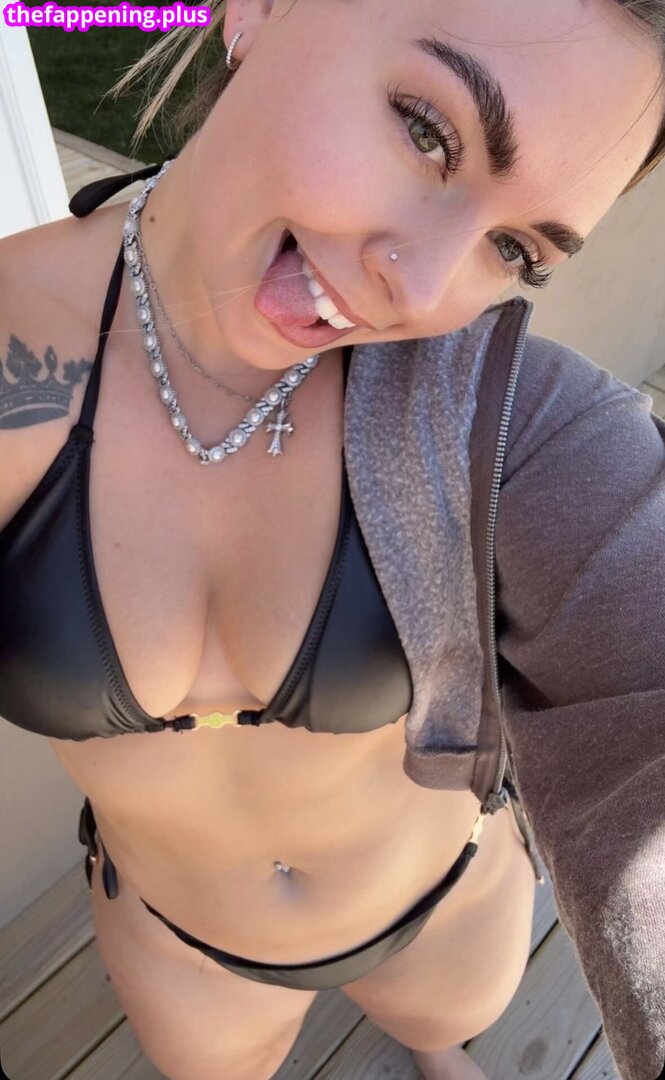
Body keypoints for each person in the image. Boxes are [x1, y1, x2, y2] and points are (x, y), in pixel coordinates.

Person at [1, 2, 664, 1079]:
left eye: (512, 248)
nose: (422, 286)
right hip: (185, 956)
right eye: (426, 129)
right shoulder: (13, 350)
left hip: (444, 919)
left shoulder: (512, 420)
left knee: (443, 1033)